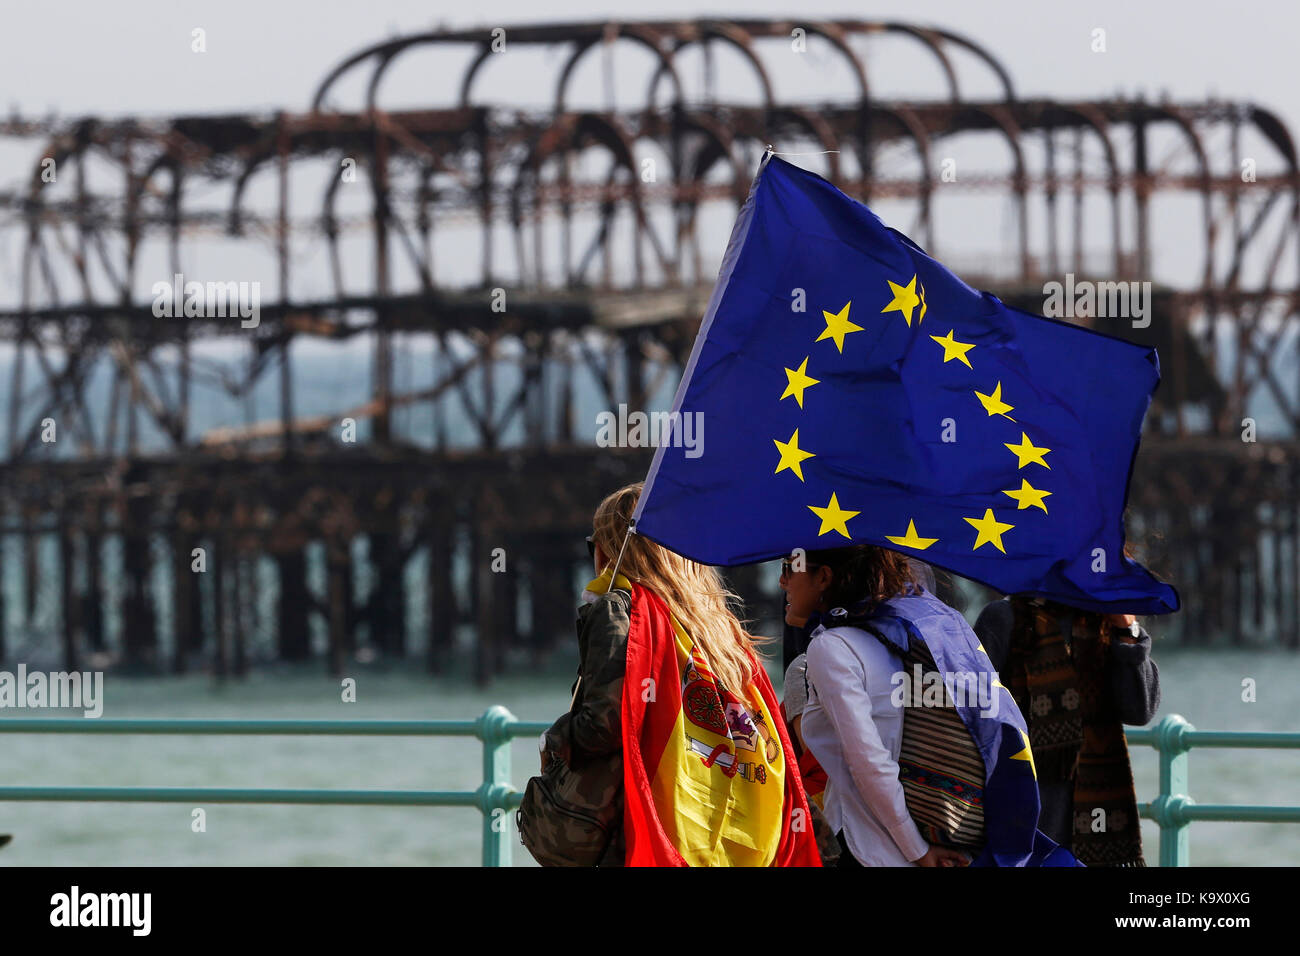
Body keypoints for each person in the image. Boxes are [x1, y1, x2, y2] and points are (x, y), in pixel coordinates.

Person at [533, 482, 820, 867]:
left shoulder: (621, 610)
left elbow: (603, 725)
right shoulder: (719, 626)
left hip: (654, 823)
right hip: (727, 830)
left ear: (609, 552)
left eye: (594, 544)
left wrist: (554, 740)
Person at [788, 545, 971, 867]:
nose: (782, 582)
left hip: (867, 846)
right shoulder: (898, 639)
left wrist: (918, 850)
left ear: (824, 577)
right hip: (921, 835)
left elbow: (870, 761)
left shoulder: (831, 647)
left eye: (790, 568)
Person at [974, 596, 1160, 867]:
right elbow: (970, 715)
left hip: (1095, 826)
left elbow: (1140, 710)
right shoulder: (1003, 618)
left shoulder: (1106, 623)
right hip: (1023, 819)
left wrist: (1127, 630)